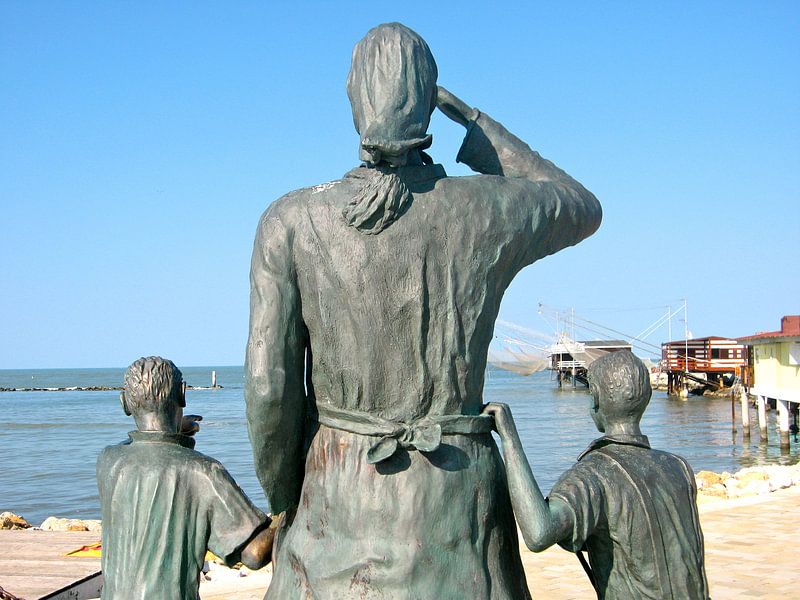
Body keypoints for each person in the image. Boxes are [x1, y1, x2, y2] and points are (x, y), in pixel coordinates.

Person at [245, 22, 601, 599]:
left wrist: (290, 502)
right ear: (430, 105)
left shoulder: (288, 220)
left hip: (336, 504)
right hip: (459, 513)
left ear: (353, 97)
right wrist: (475, 122)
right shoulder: (490, 210)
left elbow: (268, 388)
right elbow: (580, 204)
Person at [485, 351, 710, 599]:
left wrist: (510, 439)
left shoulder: (594, 474)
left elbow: (539, 533)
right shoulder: (679, 467)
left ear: (596, 401)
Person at [97, 357, 276, 599]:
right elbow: (254, 554)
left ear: (125, 404)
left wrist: (175, 430)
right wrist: (284, 517)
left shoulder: (108, 461)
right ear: (182, 394)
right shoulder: (203, 472)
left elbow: (140, 447)